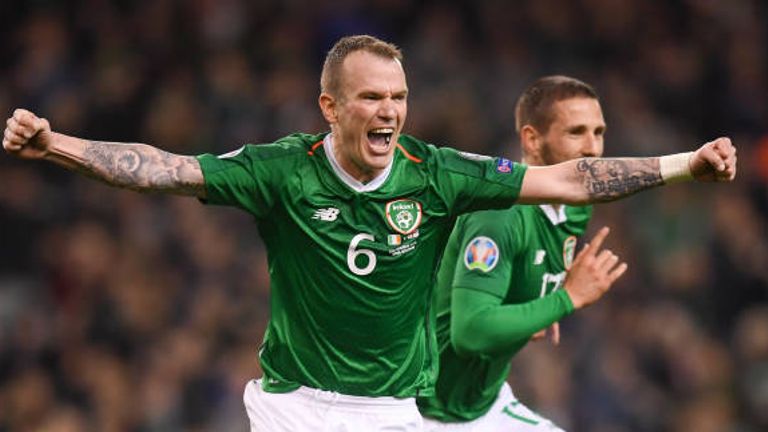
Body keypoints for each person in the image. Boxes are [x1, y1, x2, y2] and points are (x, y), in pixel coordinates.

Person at [3, 35, 736, 432]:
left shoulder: (439, 173)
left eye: (400, 97)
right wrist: (56, 146)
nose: (390, 111)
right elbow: (160, 170)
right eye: (371, 97)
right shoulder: (281, 172)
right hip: (293, 406)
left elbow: (575, 179)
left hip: (392, 411)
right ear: (330, 104)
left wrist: (684, 166)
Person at [418, 75, 618, 431]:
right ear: (532, 139)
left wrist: (535, 307)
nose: (592, 147)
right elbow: (470, 332)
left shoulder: (575, 209)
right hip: (414, 408)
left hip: (482, 405)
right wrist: (566, 299)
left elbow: (523, 281)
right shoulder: (500, 212)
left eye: (598, 132)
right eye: (576, 132)